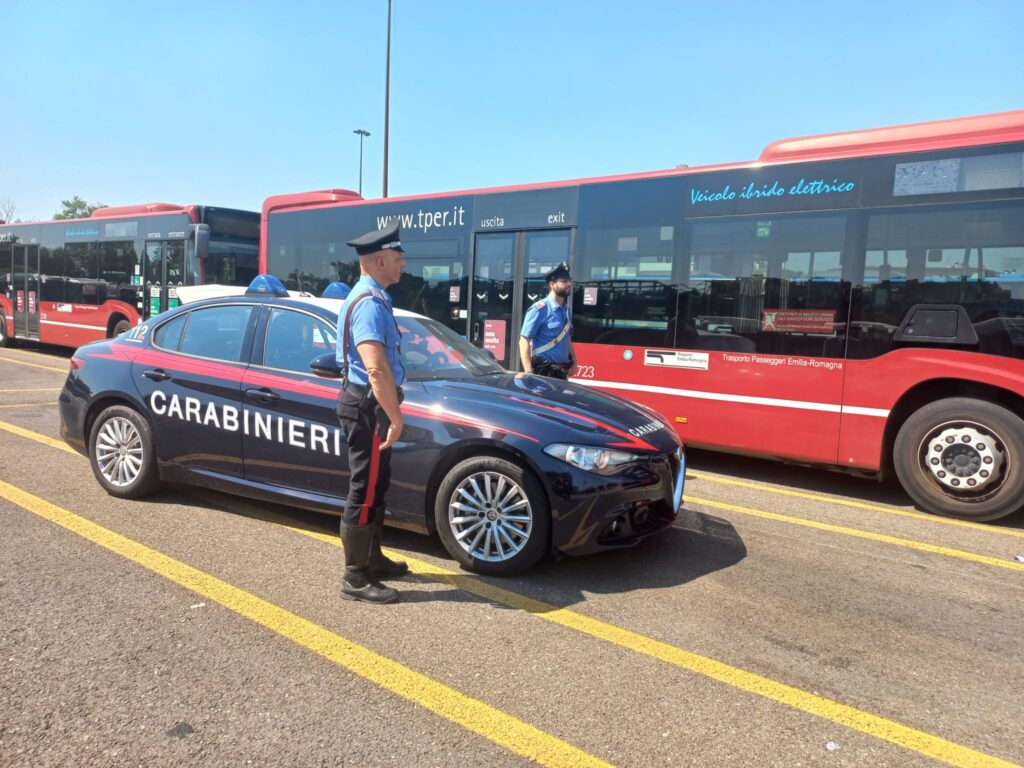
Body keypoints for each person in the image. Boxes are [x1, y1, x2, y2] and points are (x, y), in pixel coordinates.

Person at [335, 220, 409, 604]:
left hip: (371, 405)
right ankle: (355, 576)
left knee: (377, 486)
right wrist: (395, 417)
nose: (402, 264)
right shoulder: (368, 304)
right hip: (369, 408)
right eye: (397, 258)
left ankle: (372, 559)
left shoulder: (376, 298)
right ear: (380, 261)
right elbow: (376, 369)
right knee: (364, 490)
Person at [519, 261, 576, 380]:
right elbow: (524, 340)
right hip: (543, 374)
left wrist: (575, 362)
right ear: (552, 284)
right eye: (564, 281)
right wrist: (529, 371)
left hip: (561, 373)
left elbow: (567, 339)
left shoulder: (566, 311)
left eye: (569, 280)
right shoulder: (539, 309)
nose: (568, 284)